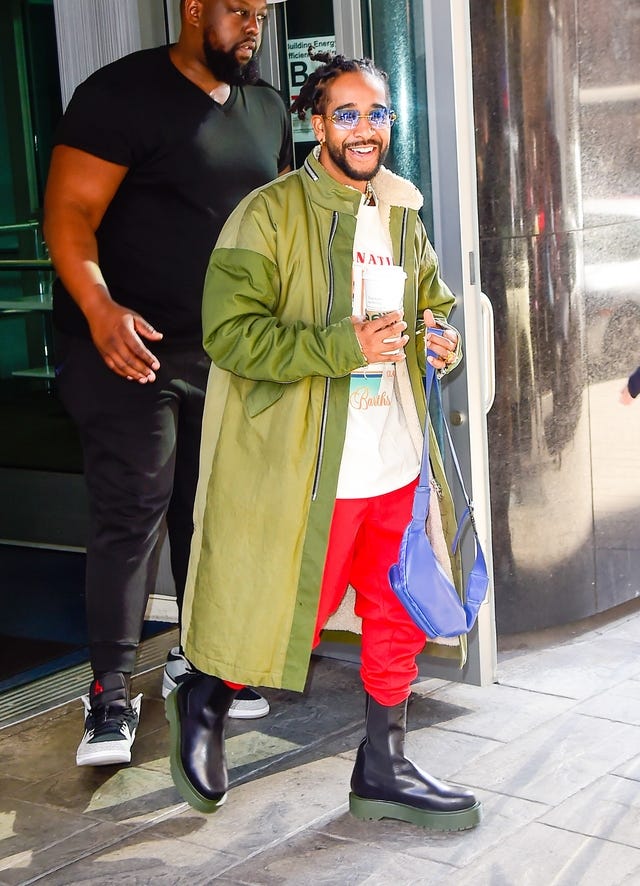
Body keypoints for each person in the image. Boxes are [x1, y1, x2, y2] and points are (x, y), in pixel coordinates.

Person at [165, 52, 482, 831]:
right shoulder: (266, 215)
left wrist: (440, 339)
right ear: (317, 124)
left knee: (396, 615)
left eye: (377, 113)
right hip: (311, 467)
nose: (364, 129)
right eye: (346, 114)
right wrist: (343, 346)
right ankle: (205, 698)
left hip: (395, 462)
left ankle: (384, 764)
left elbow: (435, 303)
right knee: (289, 612)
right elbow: (231, 334)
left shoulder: (402, 213)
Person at [43, 0, 292, 768]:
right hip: (128, 349)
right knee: (133, 511)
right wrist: (100, 310)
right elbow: (69, 213)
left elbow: (277, 224)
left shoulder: (266, 106)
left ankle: (201, 658)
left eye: (261, 12)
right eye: (238, 10)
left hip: (221, 351)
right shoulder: (121, 95)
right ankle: (110, 691)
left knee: (207, 510)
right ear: (193, 10)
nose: (252, 25)